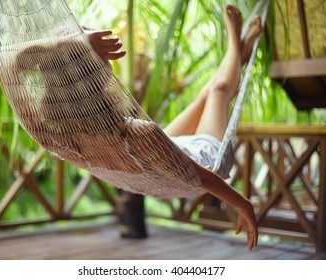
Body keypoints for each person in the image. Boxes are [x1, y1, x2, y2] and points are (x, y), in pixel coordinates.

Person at [88, 4, 262, 251]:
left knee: (205, 97)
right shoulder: (135, 132)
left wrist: (84, 42)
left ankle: (237, 57)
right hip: (201, 156)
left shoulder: (68, 133)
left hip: (159, 150)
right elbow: (200, 175)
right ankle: (235, 46)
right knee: (217, 92)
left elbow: (27, 60)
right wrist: (244, 204)